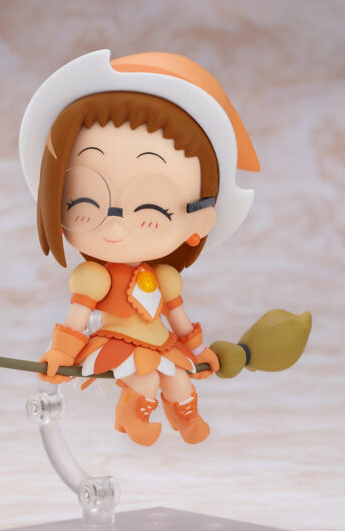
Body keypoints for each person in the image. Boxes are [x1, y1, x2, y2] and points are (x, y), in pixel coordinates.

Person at [19, 50, 260, 446]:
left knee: (179, 380)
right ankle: (133, 414)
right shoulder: (94, 277)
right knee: (144, 378)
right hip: (118, 343)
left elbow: (180, 320)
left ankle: (185, 416)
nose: (114, 224)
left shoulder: (164, 277)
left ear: (198, 222)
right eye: (84, 202)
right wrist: (60, 354)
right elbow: (77, 319)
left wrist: (199, 351)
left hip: (161, 341)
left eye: (151, 209)